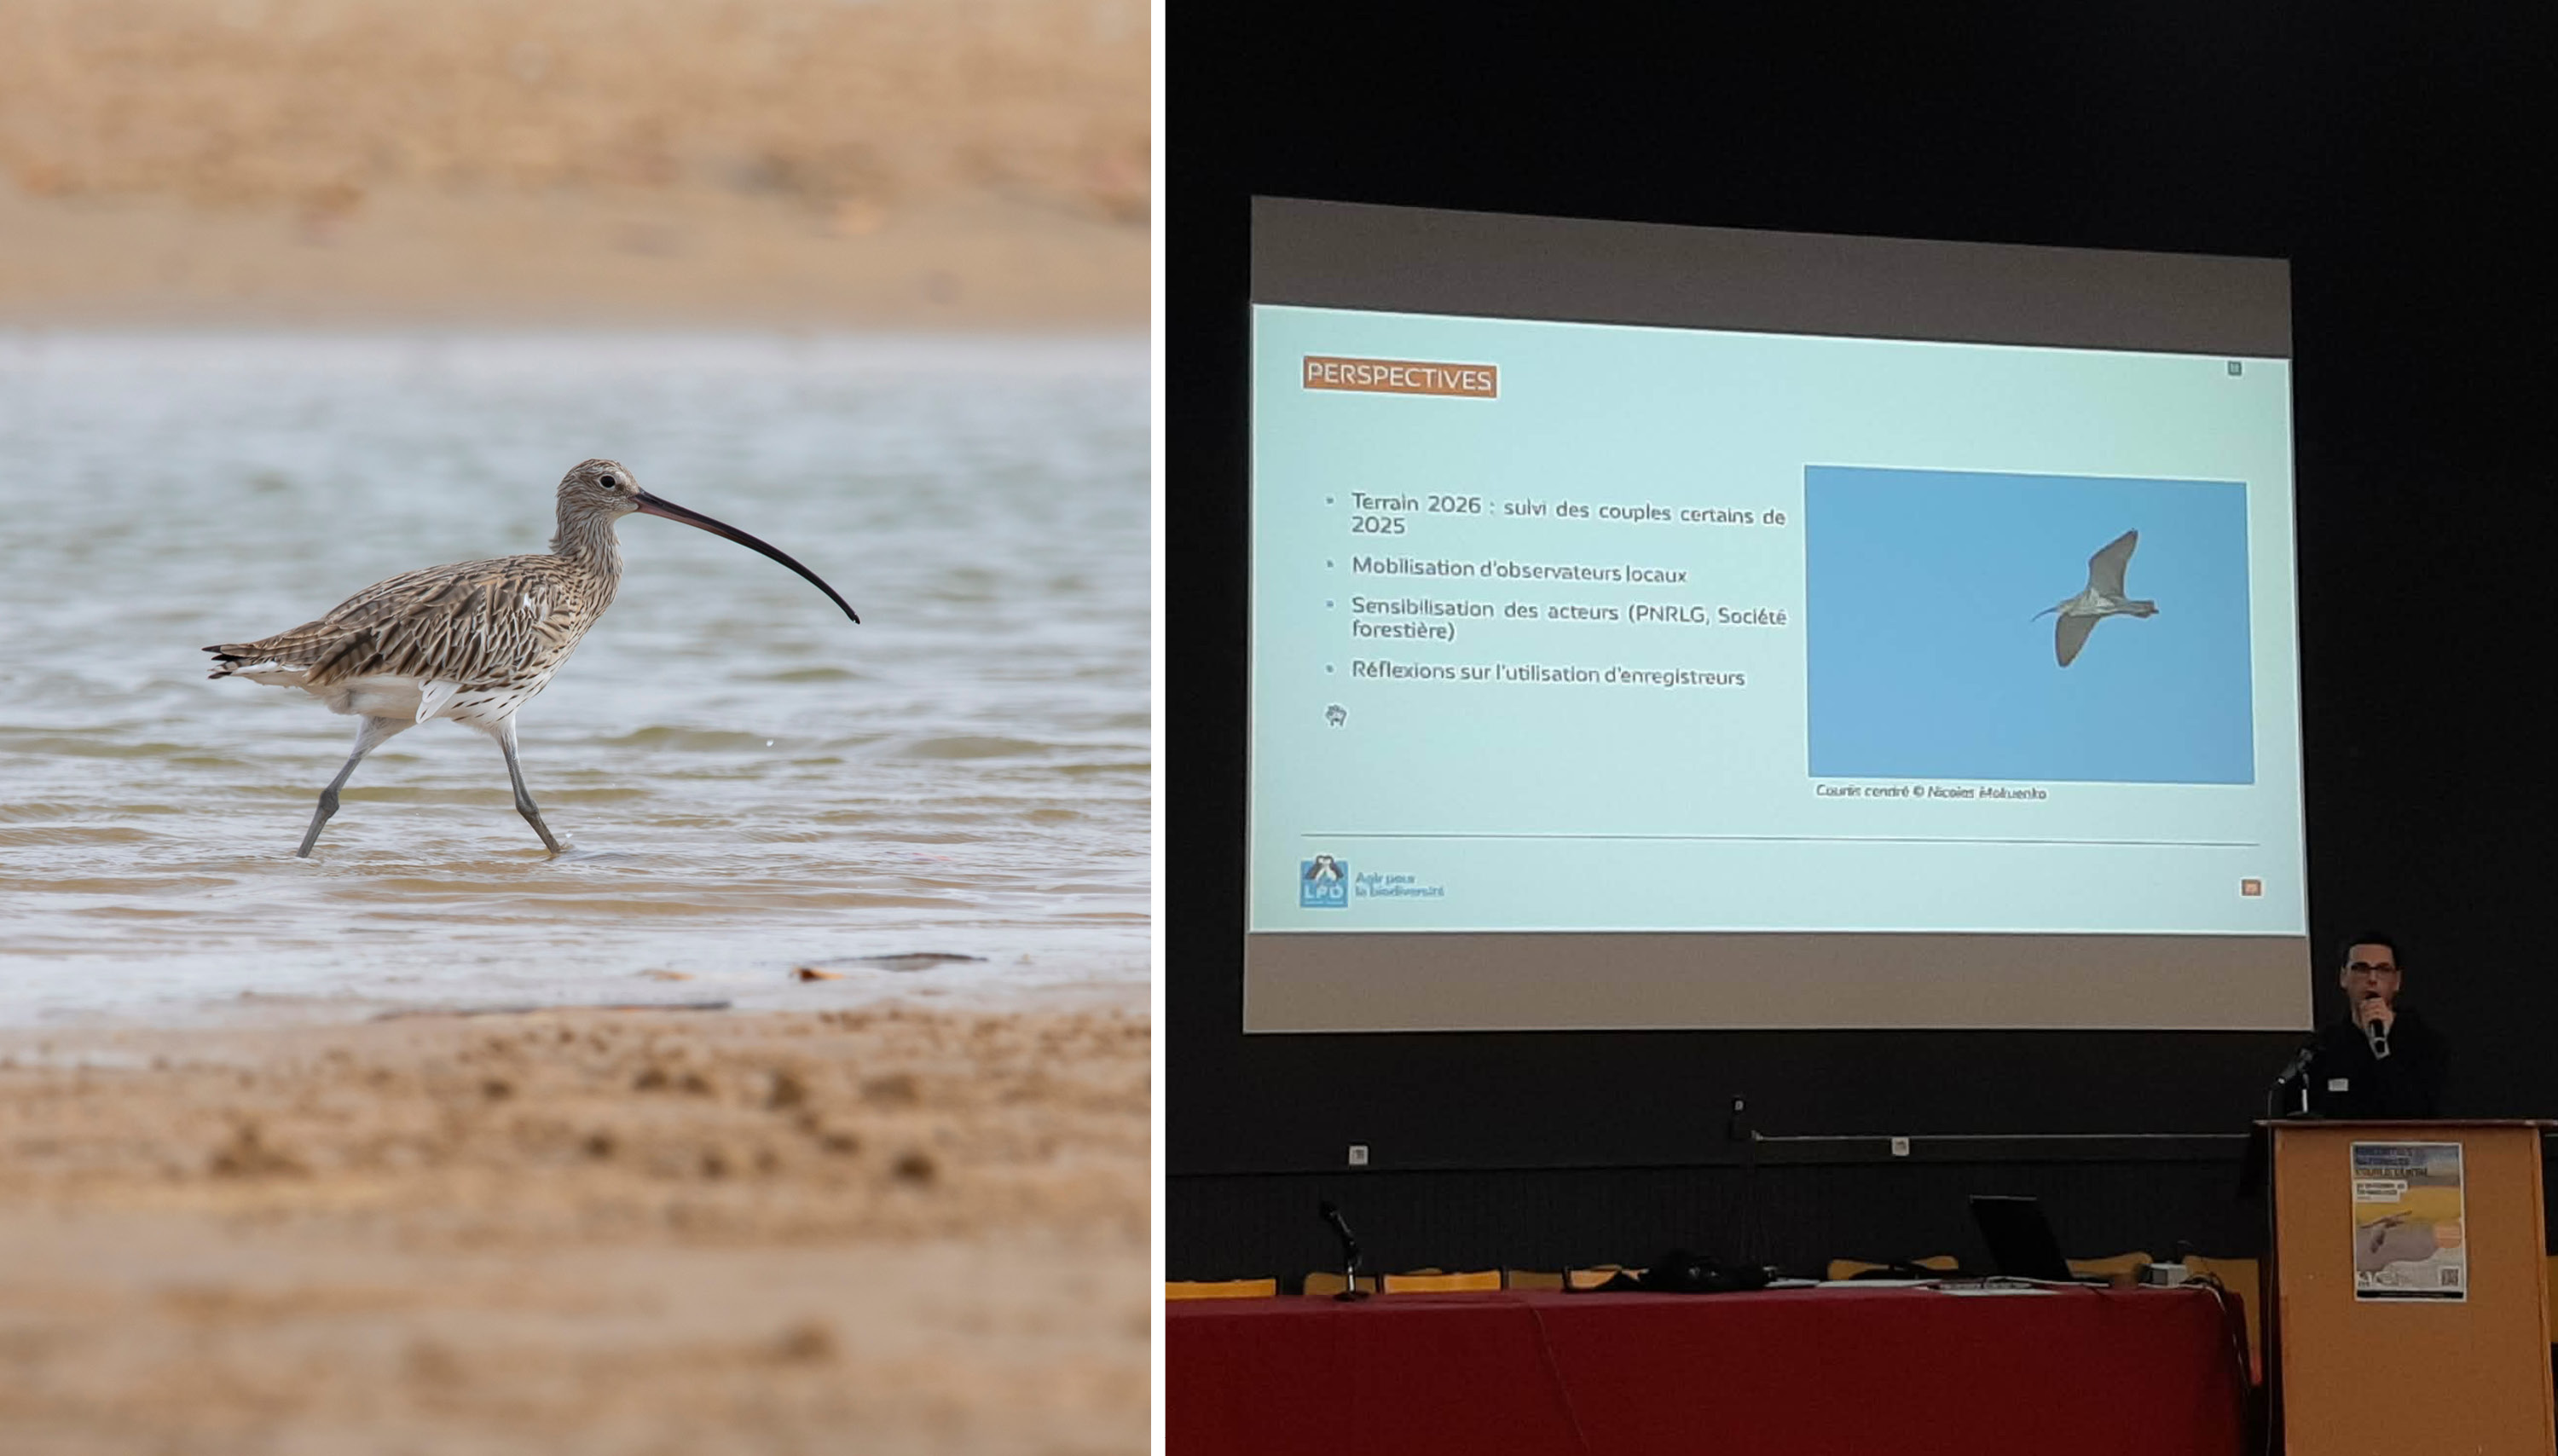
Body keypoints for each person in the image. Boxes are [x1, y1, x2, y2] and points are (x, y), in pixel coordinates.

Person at [2300, 932, 2450, 1118]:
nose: (2372, 978)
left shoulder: (2425, 1043)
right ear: (2343, 977)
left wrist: (2384, 1052)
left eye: (2383, 970)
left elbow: (2420, 1111)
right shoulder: (2322, 1046)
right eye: (2361, 969)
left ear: (2397, 981)